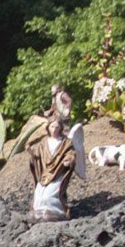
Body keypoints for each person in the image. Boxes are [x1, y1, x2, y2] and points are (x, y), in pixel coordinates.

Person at [28, 86, 84, 222]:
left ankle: (56, 211)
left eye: (57, 127)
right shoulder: (44, 142)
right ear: (48, 128)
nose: (54, 129)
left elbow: (71, 153)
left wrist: (68, 161)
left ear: (60, 128)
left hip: (58, 172)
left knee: (50, 195)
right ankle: (38, 211)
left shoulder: (65, 142)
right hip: (44, 173)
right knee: (40, 193)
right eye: (52, 127)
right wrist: (31, 152)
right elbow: (37, 153)